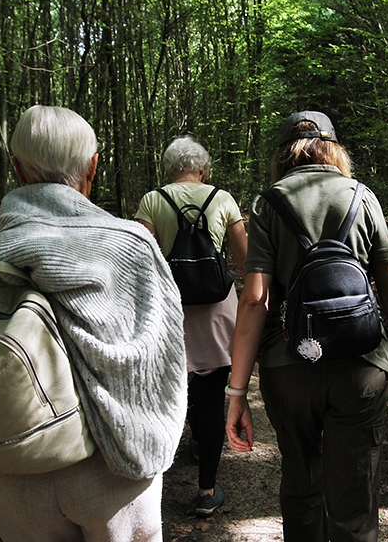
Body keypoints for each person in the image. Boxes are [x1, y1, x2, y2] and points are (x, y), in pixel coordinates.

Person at [0, 105, 188, 542]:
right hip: (118, 466)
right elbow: (165, 353)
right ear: (92, 166)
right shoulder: (131, 243)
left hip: (18, 456)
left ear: (17, 167)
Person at [225, 111, 388, 542]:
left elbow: (255, 298)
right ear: (334, 148)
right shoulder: (362, 197)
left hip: (287, 366)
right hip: (362, 363)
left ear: (282, 153)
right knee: (355, 495)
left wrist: (237, 391)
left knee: (301, 482)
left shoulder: (267, 203)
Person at [135, 136, 247, 517]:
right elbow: (244, 257)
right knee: (213, 390)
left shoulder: (153, 200)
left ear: (169, 168)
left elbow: (139, 260)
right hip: (217, 307)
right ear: (203, 168)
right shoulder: (222, 198)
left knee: (172, 389)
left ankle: (157, 476)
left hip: (172, 310)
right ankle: (206, 489)